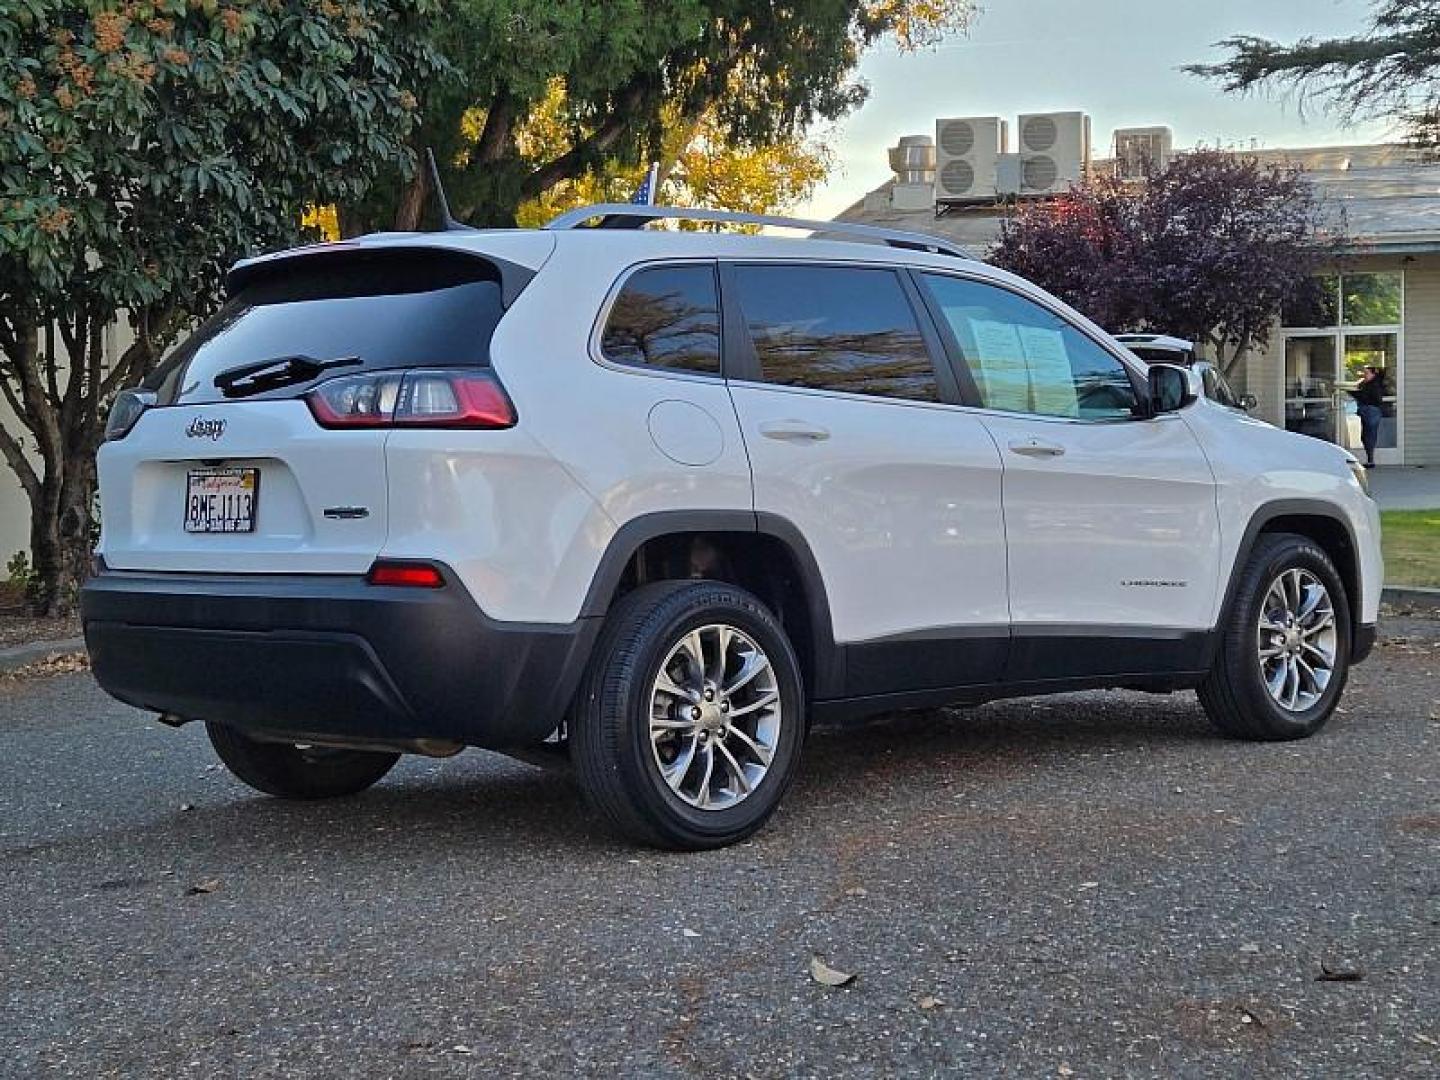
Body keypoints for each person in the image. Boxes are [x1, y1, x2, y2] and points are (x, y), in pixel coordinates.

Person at [1348, 365, 1387, 468]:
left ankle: (1371, 460)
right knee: (1366, 436)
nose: (1364, 375)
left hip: (1371, 412)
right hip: (1369, 412)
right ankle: (1370, 459)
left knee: (1368, 436)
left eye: (1367, 373)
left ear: (1373, 374)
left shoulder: (1374, 385)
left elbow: (1366, 397)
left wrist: (1352, 392)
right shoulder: (1369, 384)